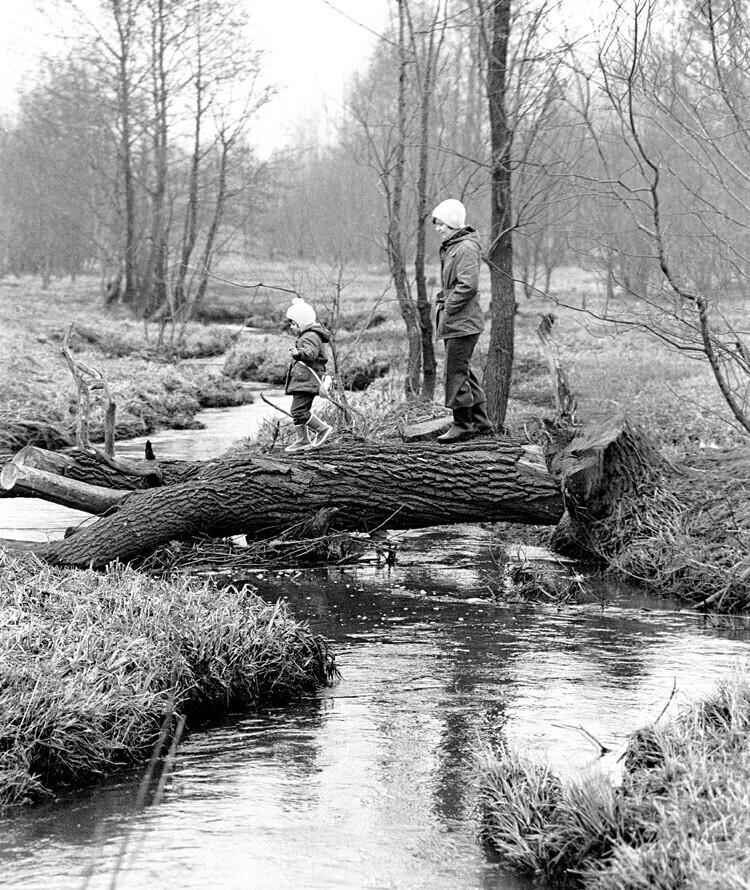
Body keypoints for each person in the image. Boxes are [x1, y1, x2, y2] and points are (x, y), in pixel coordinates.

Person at [432, 198, 494, 443]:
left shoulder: (465, 247)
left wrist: (448, 306)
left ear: (454, 224)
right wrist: (443, 298)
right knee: (464, 371)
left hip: (462, 321)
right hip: (458, 320)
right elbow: (454, 283)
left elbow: (468, 286)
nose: (438, 229)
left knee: (455, 373)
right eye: (437, 224)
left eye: (442, 225)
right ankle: (481, 423)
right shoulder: (454, 245)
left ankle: (463, 425)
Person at [283, 297, 334, 453]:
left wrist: (299, 353)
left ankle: (322, 429)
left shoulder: (309, 336)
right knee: (298, 410)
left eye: (293, 323)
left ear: (302, 322)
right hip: (304, 380)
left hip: (307, 380)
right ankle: (302, 440)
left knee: (298, 411)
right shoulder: (309, 335)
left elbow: (311, 353)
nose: (291, 327)